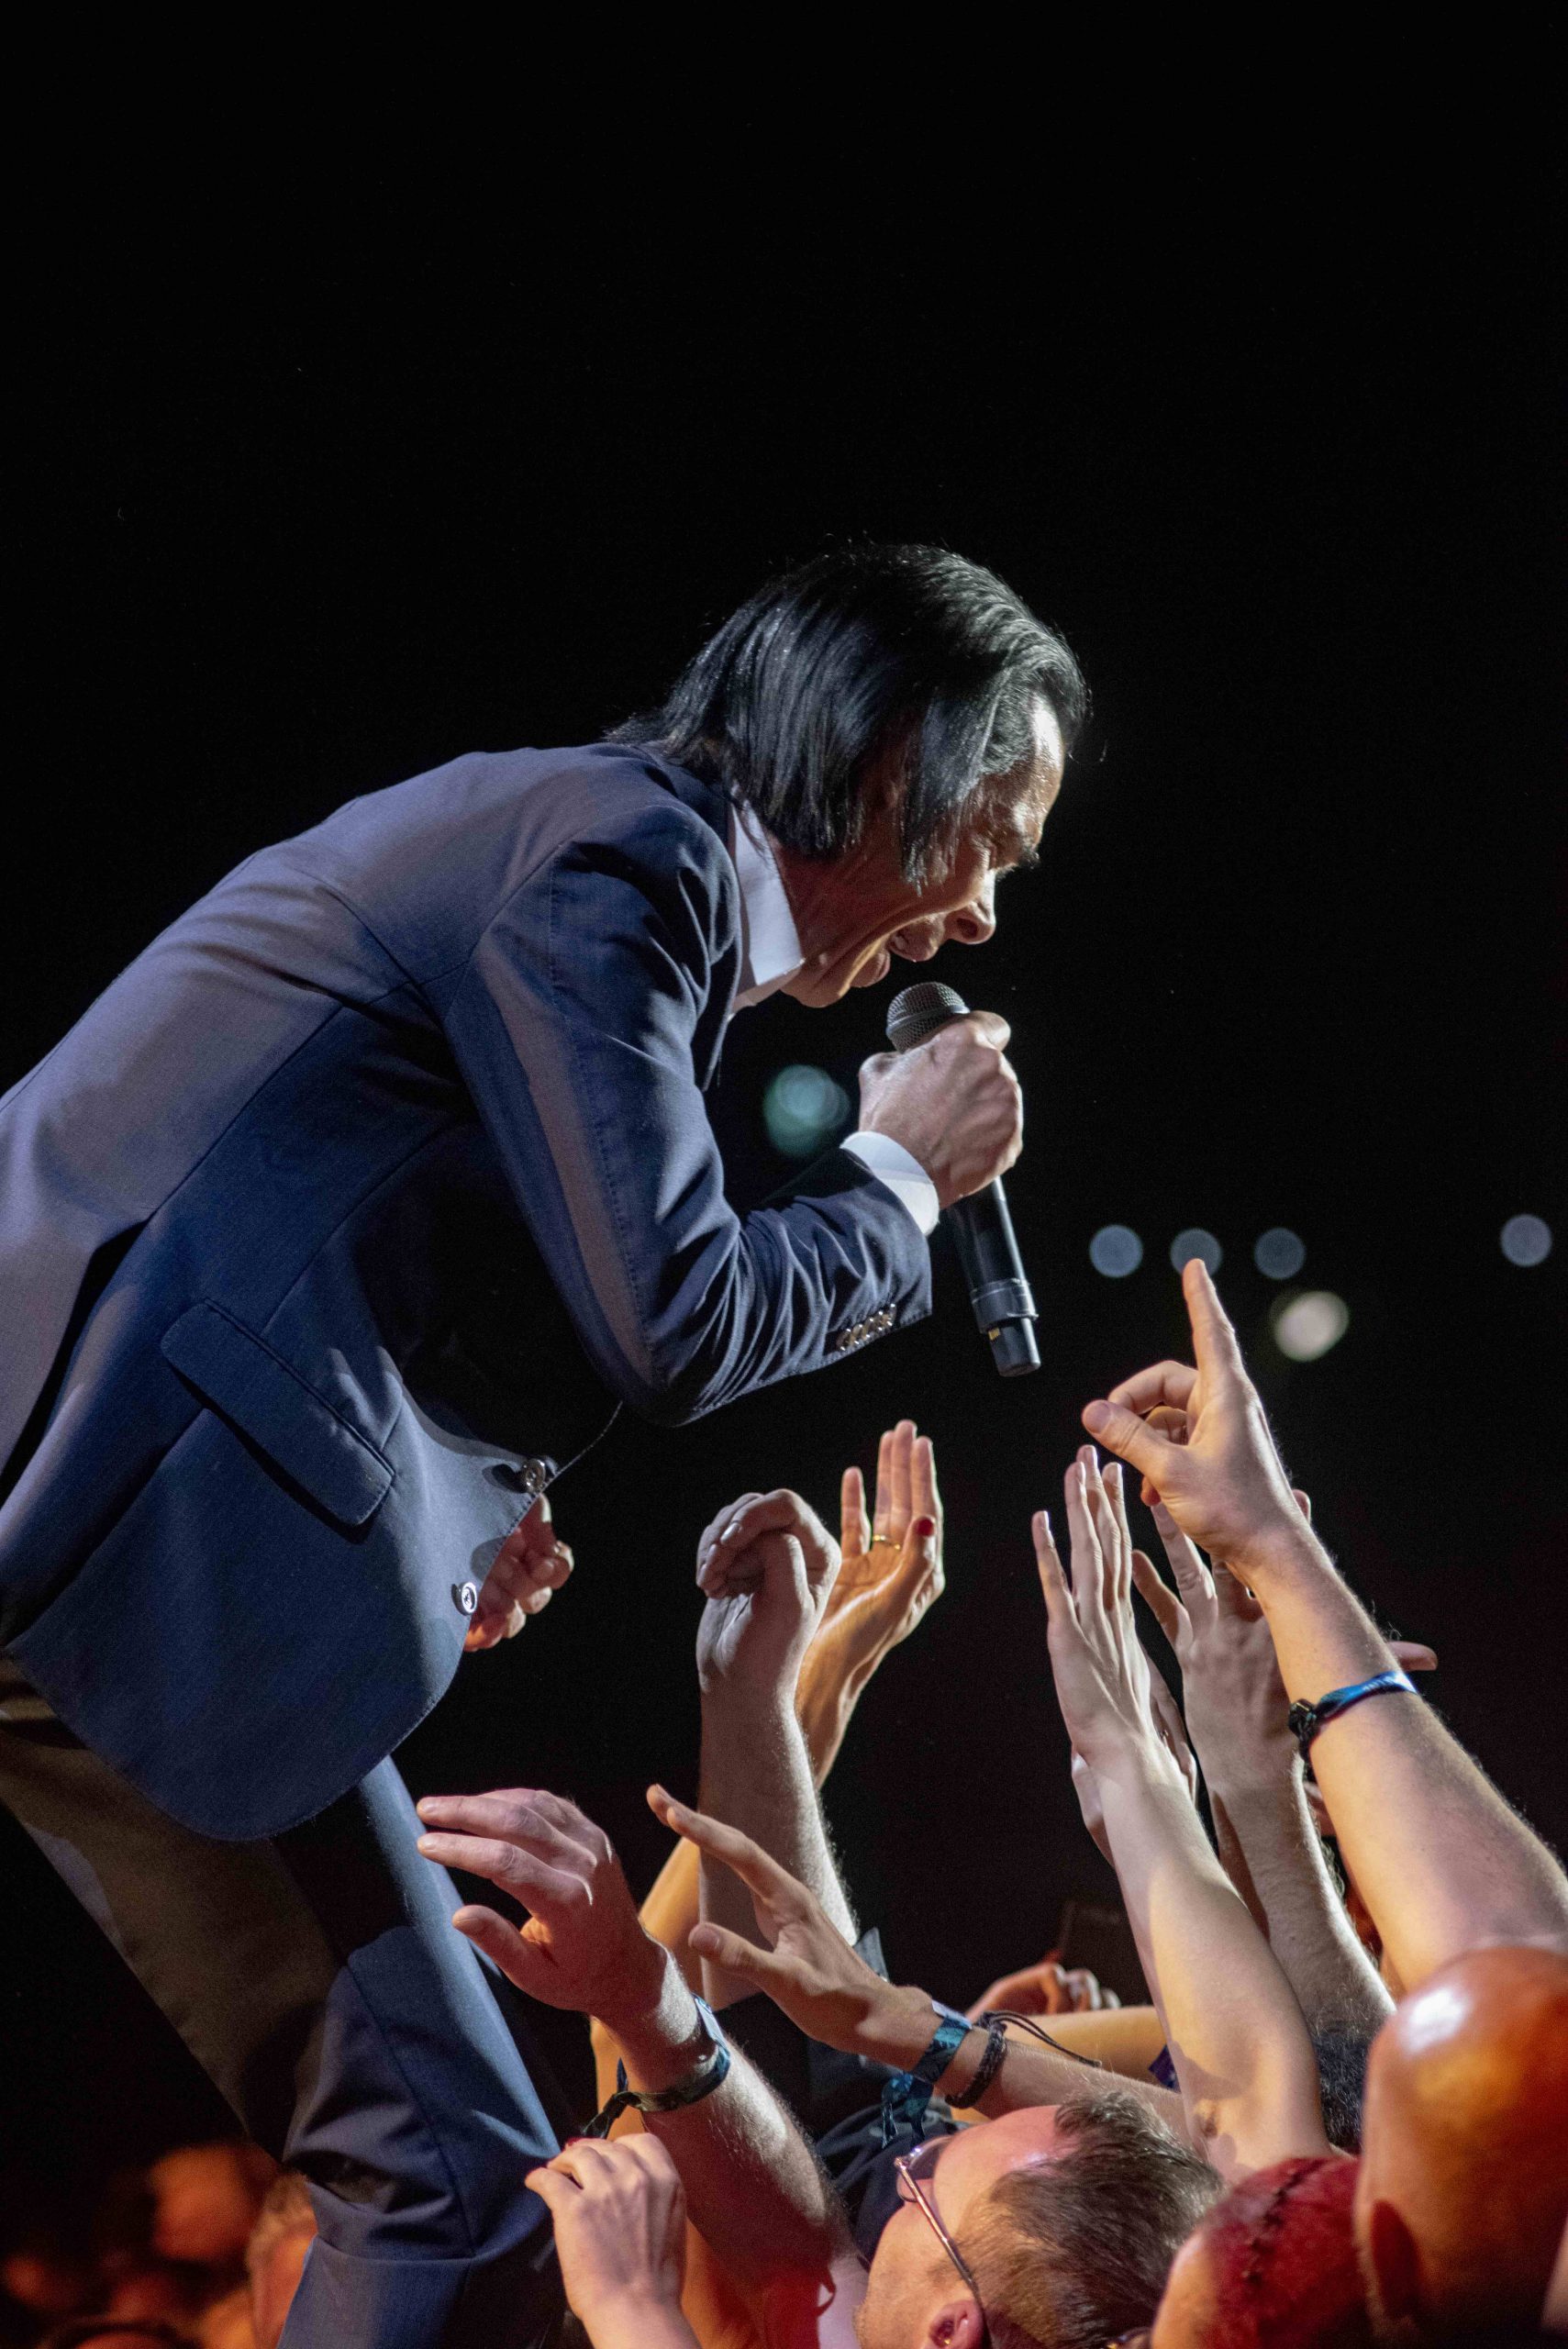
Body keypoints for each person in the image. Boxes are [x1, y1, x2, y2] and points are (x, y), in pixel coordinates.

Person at [0, 543, 1084, 2346]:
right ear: (885, 758)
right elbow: (678, 1317)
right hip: (105, 1517)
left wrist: (464, 1514)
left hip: (90, 1489)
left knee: (440, 2163)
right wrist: (898, 1175)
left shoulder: (587, 848)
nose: (983, 912)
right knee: (440, 2172)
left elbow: (341, 1229)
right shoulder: (623, 855)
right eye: (993, 831)